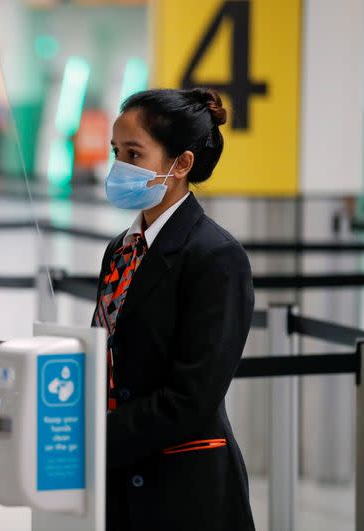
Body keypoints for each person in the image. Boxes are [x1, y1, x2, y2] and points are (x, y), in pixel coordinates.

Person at [92, 88, 255, 530]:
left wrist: (95, 438)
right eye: (115, 152)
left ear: (180, 164)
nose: (118, 166)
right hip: (118, 484)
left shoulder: (216, 257)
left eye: (134, 153)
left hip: (182, 489)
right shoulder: (121, 250)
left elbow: (193, 397)